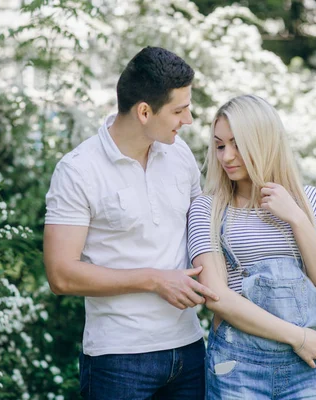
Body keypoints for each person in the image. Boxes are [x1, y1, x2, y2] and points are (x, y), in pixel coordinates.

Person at [43, 47, 218, 400]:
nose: (189, 120)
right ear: (144, 111)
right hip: (118, 359)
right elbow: (61, 274)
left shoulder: (179, 153)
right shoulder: (78, 170)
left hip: (189, 349)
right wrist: (153, 280)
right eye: (179, 110)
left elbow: (203, 232)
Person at [188, 94, 316, 399]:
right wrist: (297, 337)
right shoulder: (207, 209)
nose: (226, 157)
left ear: (265, 142)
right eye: (220, 145)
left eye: (237, 145)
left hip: (307, 370)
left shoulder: (312, 202)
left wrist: (296, 218)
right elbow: (217, 298)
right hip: (237, 369)